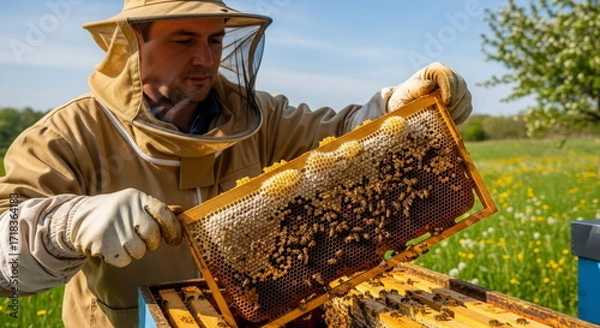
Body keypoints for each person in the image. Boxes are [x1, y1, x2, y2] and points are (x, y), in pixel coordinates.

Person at [0, 1, 472, 327]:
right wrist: (66, 224)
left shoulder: (258, 117)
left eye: (215, 40)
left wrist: (400, 109)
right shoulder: (70, 134)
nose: (205, 59)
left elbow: (345, 135)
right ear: (130, 45)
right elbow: (7, 266)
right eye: (184, 41)